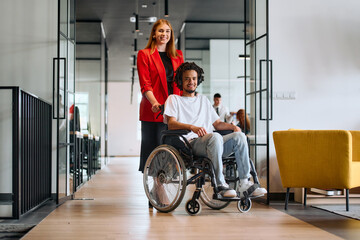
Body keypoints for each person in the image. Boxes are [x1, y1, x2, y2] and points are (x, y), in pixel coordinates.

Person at [164, 62, 267, 198]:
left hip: (213, 142)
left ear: (198, 80)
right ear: (180, 81)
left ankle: (244, 183)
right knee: (215, 137)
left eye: (194, 78)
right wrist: (192, 127)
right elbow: (171, 123)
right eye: (187, 79)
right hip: (191, 144)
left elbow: (217, 123)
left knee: (240, 136)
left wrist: (233, 127)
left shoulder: (203, 100)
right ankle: (220, 184)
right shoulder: (174, 99)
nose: (191, 82)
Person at [137, 19, 184, 174]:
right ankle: (156, 195)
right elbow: (145, 84)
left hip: (173, 111)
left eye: (167, 31)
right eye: (161, 31)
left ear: (171, 34)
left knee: (171, 153)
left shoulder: (178, 56)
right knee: (154, 152)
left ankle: (165, 192)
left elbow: (182, 83)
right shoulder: (144, 55)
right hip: (153, 110)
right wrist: (154, 102)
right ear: (154, 34)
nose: (164, 34)